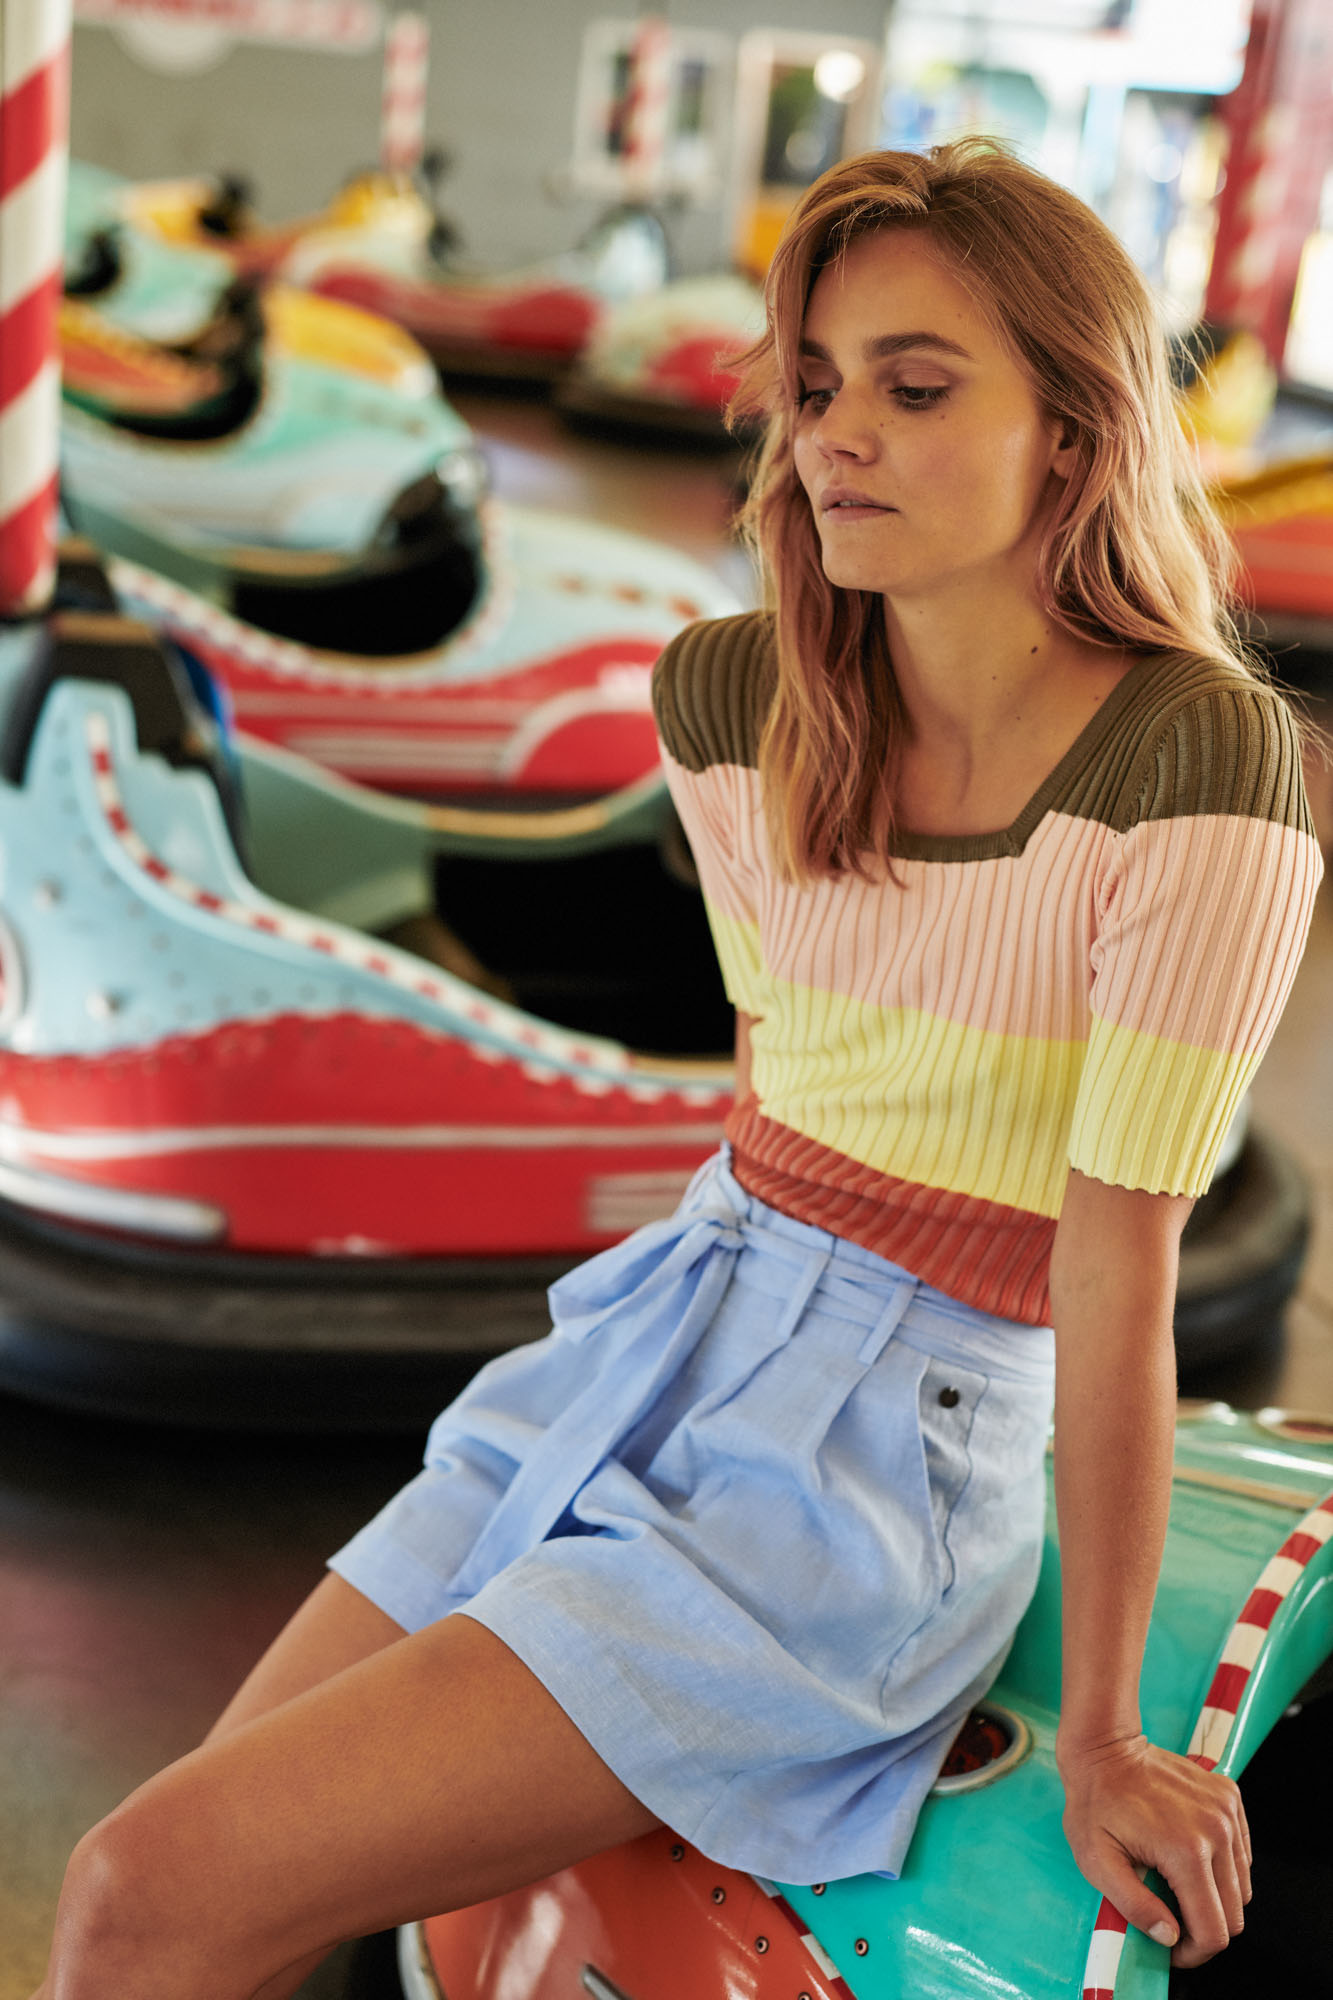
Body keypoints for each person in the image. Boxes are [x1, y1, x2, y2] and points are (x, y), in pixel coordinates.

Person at [33, 139, 1321, 1998]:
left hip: (879, 1464)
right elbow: (778, 1098)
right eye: (812, 387)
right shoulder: (737, 703)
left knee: (150, 1890)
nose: (835, 435)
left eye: (913, 384)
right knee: (162, 1884)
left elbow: (1112, 1267)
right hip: (655, 1337)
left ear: (1072, 425)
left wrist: (1116, 1731)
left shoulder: (1196, 768)